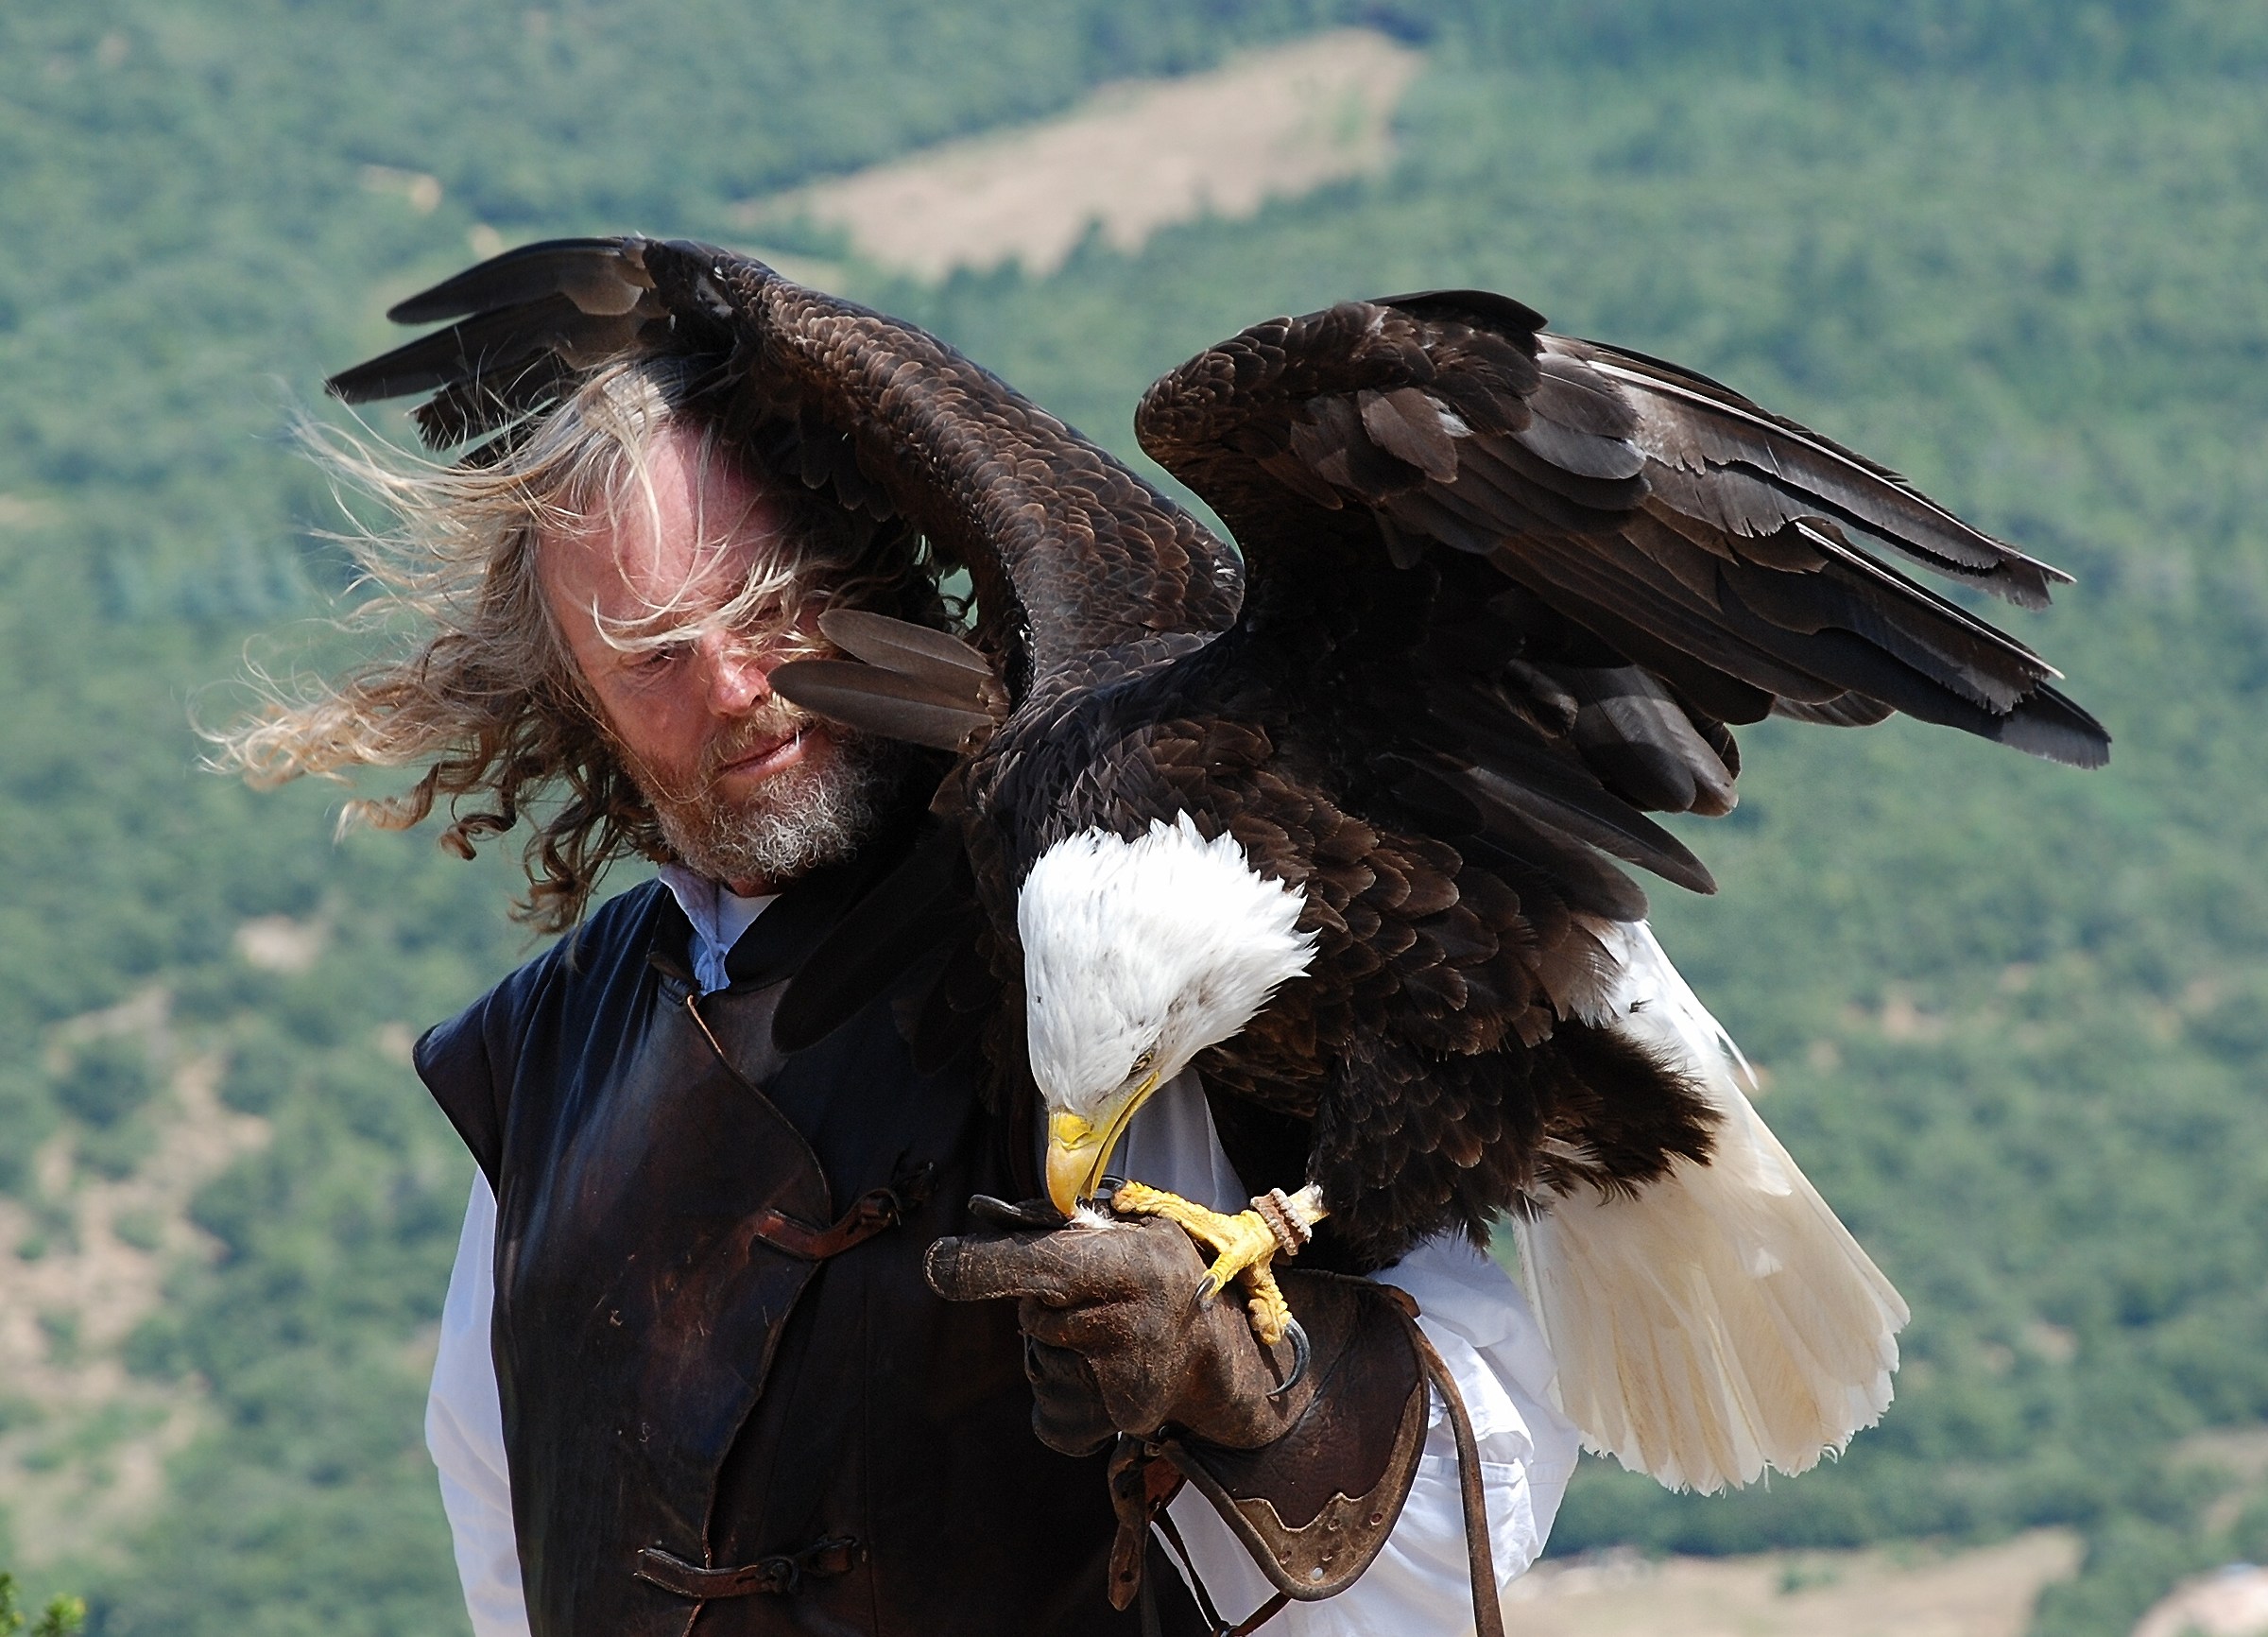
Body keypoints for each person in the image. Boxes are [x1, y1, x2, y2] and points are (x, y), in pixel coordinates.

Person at [220, 355, 1582, 1636]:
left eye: (769, 601)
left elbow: (1504, 1448)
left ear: (874, 572)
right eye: (652, 653)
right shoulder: (540, 1063)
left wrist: (1239, 1383)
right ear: (577, 698)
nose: (741, 687)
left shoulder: (1107, 939)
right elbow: (506, 1547)